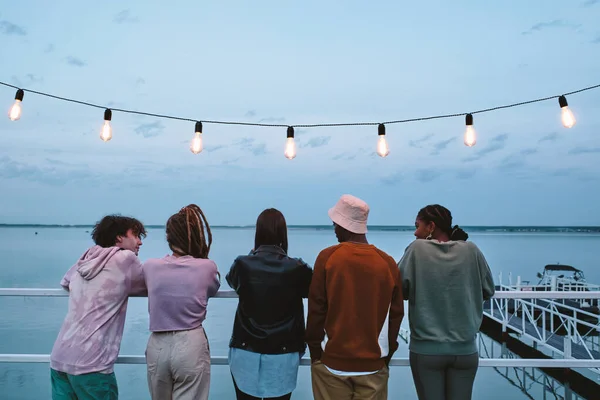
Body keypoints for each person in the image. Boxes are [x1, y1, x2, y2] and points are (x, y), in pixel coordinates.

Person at [306, 194, 404, 400]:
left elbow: (316, 310)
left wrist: (316, 353)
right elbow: (396, 314)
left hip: (331, 363)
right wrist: (387, 354)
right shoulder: (387, 263)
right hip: (373, 366)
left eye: (335, 224)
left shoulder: (327, 258)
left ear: (343, 225)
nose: (334, 229)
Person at [397, 204, 495, 400]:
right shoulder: (471, 250)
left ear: (431, 226)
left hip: (427, 349)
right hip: (465, 350)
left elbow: (398, 289)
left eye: (418, 226)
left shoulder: (416, 249)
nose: (415, 232)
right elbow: (488, 289)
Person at [50, 215, 147, 400]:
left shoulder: (89, 255)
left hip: (60, 358)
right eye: (135, 235)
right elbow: (149, 285)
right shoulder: (125, 258)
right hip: (91, 363)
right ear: (119, 238)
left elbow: (66, 281)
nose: (140, 242)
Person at [226, 208, 313, 400]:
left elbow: (231, 280)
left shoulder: (243, 264)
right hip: (283, 353)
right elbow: (312, 289)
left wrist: (253, 254)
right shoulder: (297, 268)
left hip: (245, 349)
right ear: (283, 233)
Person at [143, 204, 220, 400]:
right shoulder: (206, 267)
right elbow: (212, 288)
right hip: (190, 342)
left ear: (168, 238)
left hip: (157, 344)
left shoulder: (150, 266)